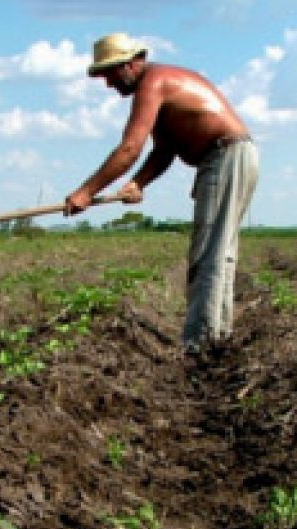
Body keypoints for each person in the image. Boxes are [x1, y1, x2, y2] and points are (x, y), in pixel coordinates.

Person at [64, 32, 259, 357]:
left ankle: (201, 346)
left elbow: (129, 148)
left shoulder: (152, 83)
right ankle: (216, 338)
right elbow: (164, 149)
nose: (109, 84)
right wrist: (139, 182)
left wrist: (86, 192)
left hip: (225, 155)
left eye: (110, 73)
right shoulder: (161, 83)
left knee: (209, 253)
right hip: (230, 156)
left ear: (131, 63)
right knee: (218, 251)